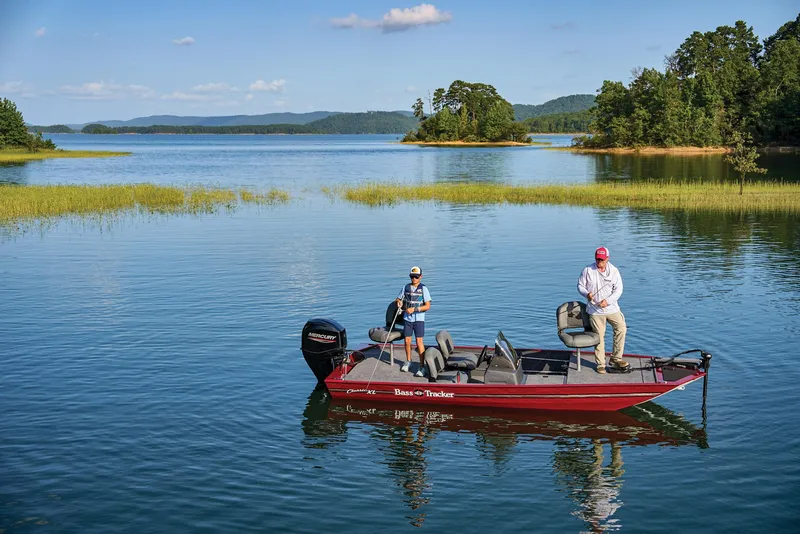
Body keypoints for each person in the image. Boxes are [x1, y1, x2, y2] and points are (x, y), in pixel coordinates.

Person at [577, 247, 629, 374]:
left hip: (612, 309)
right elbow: (580, 286)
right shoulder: (588, 270)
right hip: (595, 311)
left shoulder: (614, 271)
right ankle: (600, 364)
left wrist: (608, 301)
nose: (599, 261)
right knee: (599, 336)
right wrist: (586, 294)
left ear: (607, 259)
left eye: (601, 259)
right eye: (597, 259)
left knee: (621, 328)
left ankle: (616, 359)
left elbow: (618, 290)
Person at [396, 266, 431, 376]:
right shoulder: (405, 287)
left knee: (419, 342)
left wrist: (415, 309)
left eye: (416, 277)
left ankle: (422, 366)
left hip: (419, 320)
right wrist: (398, 302)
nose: (414, 279)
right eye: (412, 277)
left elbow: (427, 306)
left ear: (421, 276)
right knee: (407, 341)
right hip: (407, 319)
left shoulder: (423, 289)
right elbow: (398, 298)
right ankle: (408, 361)